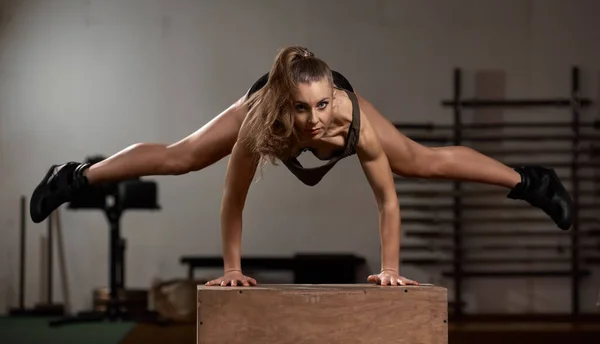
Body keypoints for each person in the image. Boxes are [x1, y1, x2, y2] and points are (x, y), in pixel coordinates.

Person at [29, 45, 573, 287]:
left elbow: (386, 199)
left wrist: (389, 268)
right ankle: (74, 177)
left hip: (355, 118)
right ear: (283, 102)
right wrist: (232, 269)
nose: (312, 121)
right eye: (300, 107)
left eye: (320, 106)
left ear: (334, 95)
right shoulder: (262, 120)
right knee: (184, 156)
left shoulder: (348, 118)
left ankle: (531, 180)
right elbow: (233, 198)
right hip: (255, 111)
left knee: (420, 162)